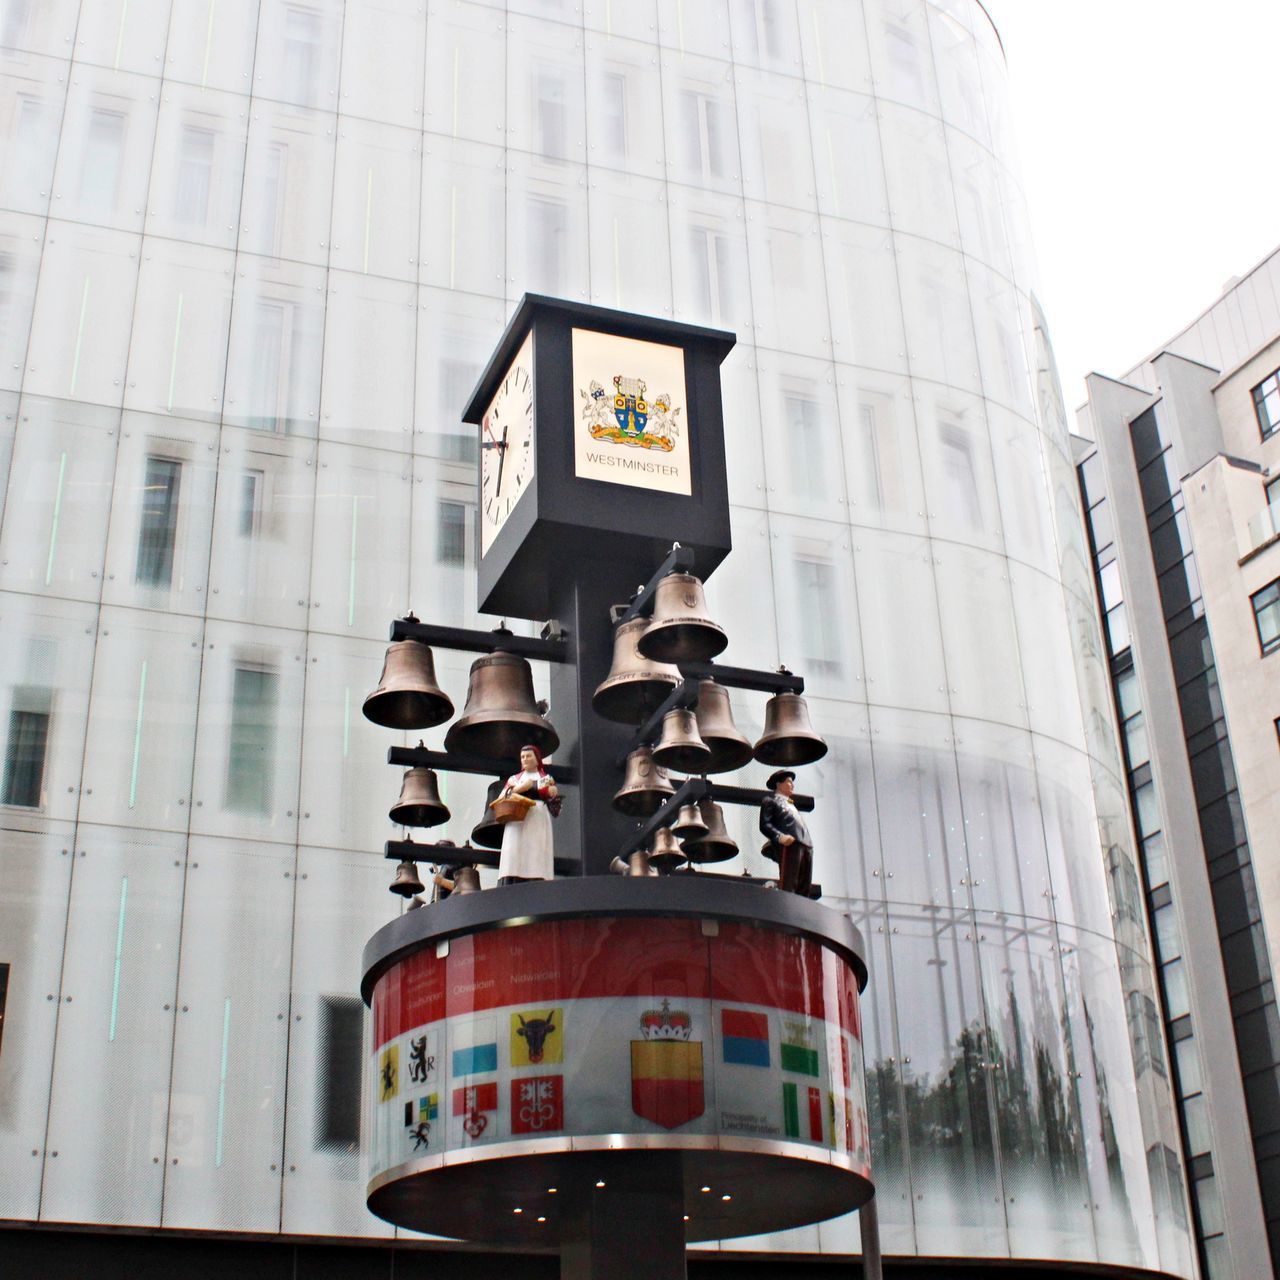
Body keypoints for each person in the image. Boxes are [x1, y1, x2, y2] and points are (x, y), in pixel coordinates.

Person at [497, 744, 558, 885]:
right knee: (514, 849)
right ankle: (512, 878)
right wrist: (522, 788)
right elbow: (502, 798)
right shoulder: (515, 779)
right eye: (522, 757)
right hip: (517, 817)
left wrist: (551, 791)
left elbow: (553, 796)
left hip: (537, 815)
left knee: (535, 848)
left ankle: (536, 877)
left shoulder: (546, 778)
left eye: (528, 756)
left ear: (537, 759)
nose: (525, 759)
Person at [759, 769, 813, 896]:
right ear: (779, 784)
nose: (792, 785)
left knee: (804, 884)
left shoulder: (791, 805)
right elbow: (764, 825)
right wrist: (779, 837)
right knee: (790, 882)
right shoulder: (770, 801)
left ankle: (803, 907)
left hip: (805, 844)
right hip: (790, 844)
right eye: (789, 782)